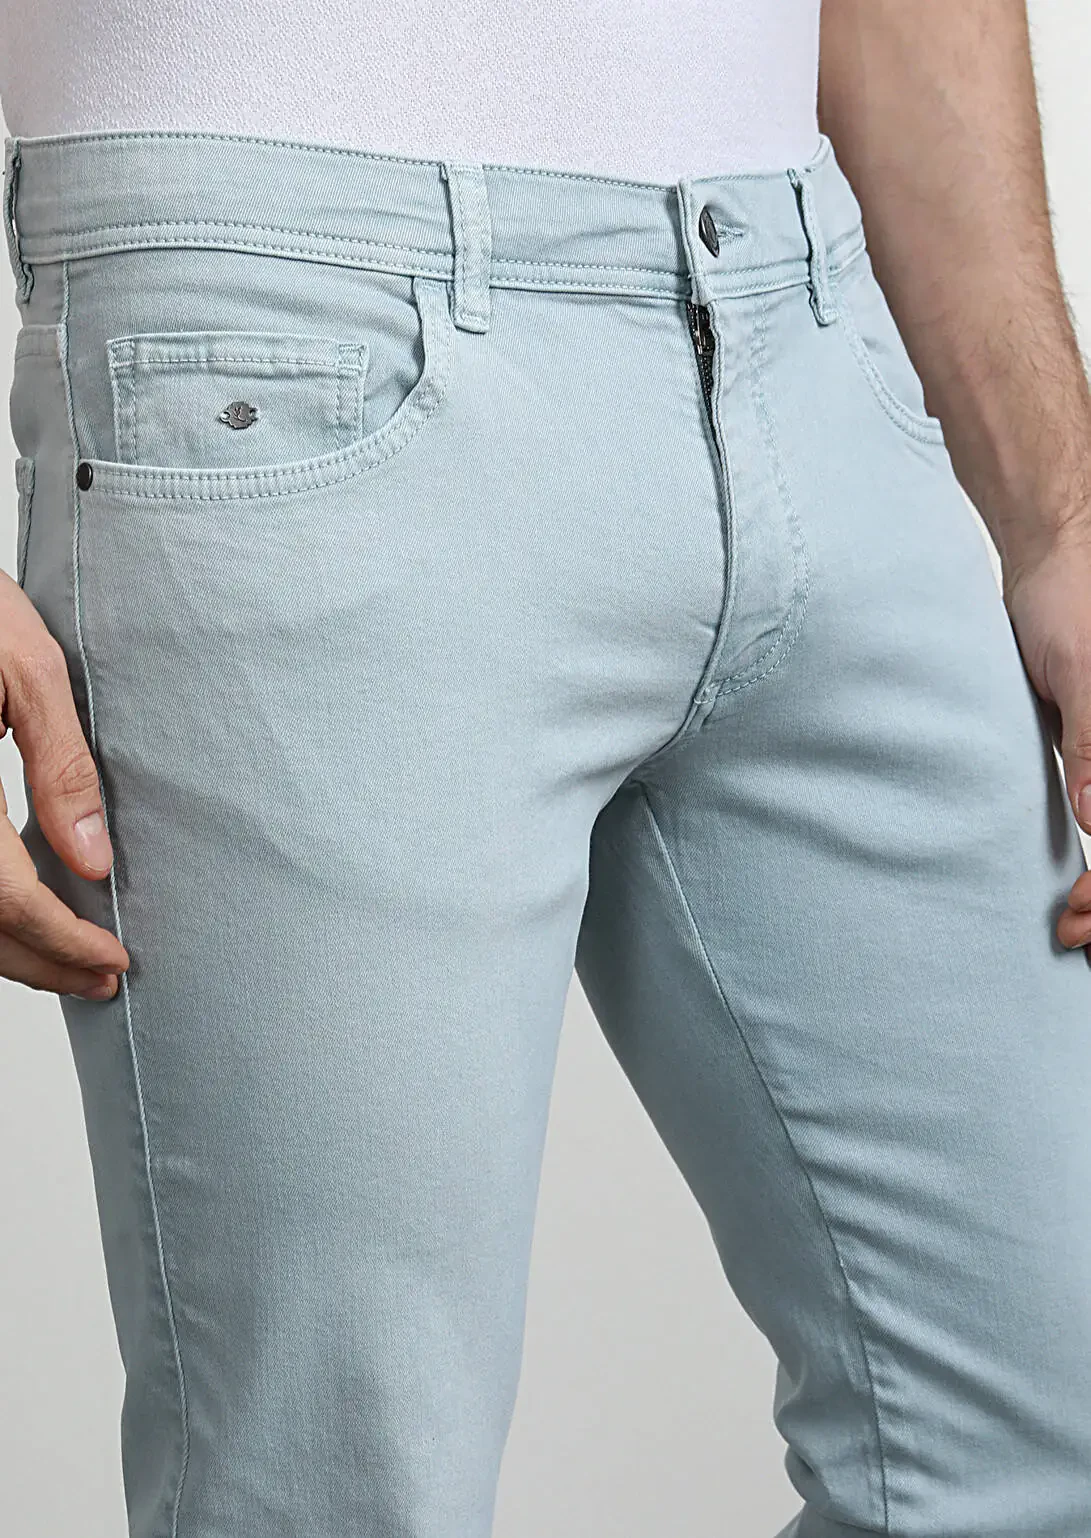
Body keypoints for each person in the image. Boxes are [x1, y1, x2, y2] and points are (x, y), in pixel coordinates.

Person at [1, 1, 1090, 1534]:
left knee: (1040, 1440)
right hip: (282, 339)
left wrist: (1059, 516)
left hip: (815, 329)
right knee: (338, 1484)